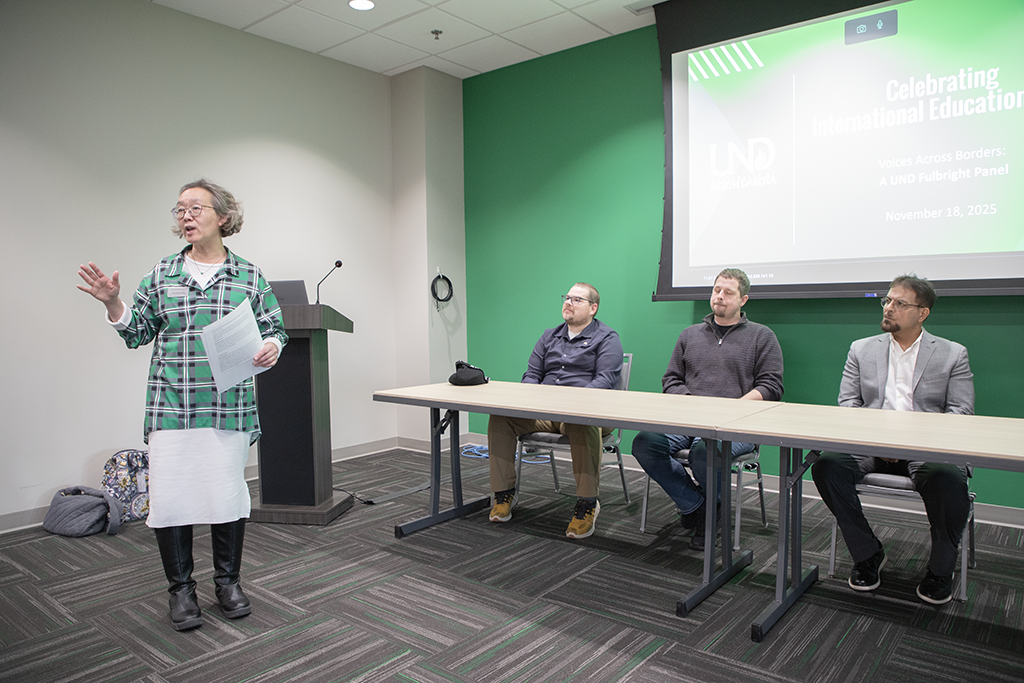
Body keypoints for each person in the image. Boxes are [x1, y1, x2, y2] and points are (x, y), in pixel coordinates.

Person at [77, 179, 287, 631]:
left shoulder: (249, 276)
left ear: (223, 217)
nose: (185, 216)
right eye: (179, 210)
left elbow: (276, 327)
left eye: (195, 207)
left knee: (226, 497)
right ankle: (181, 591)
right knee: (171, 501)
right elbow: (137, 332)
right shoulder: (161, 274)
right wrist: (114, 303)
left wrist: (272, 344)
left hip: (229, 407)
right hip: (172, 407)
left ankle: (228, 583)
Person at [812, 275, 973, 606]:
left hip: (926, 449)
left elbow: (961, 413)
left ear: (922, 313)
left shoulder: (952, 354)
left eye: (900, 303)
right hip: (871, 445)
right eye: (887, 300)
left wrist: (914, 437)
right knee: (827, 466)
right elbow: (848, 406)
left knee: (946, 478)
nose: (889, 307)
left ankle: (941, 569)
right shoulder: (861, 348)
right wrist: (875, 435)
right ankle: (868, 552)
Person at [631, 268, 783, 550]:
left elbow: (771, 386)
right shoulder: (689, 335)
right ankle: (700, 506)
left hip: (737, 423)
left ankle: (710, 514)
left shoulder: (762, 336)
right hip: (688, 419)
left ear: (743, 300)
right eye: (716, 290)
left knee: (706, 451)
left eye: (728, 292)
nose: (720, 297)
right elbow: (671, 380)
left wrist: (732, 409)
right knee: (644, 443)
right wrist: (693, 404)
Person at [488, 283, 623, 539]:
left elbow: (604, 380)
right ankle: (504, 493)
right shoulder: (549, 336)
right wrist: (530, 398)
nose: (569, 302)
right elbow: (532, 374)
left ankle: (587, 503)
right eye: (567, 297)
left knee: (583, 421)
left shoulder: (607, 338)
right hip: (546, 412)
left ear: (593, 308)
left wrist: (574, 404)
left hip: (589, 413)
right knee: (501, 416)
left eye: (577, 299)